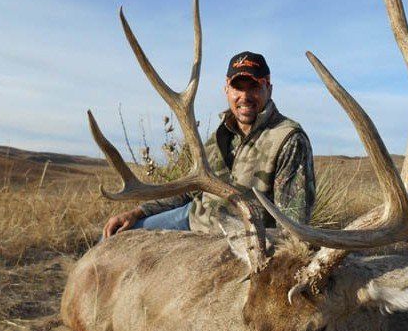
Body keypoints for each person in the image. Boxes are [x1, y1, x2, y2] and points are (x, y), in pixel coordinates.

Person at [102, 51, 315, 239]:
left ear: (268, 88)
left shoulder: (289, 139)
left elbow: (292, 229)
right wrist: (138, 212)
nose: (245, 96)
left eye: (255, 87)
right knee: (116, 236)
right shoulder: (219, 137)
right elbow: (188, 192)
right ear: (226, 90)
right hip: (194, 219)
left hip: (244, 238)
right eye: (237, 87)